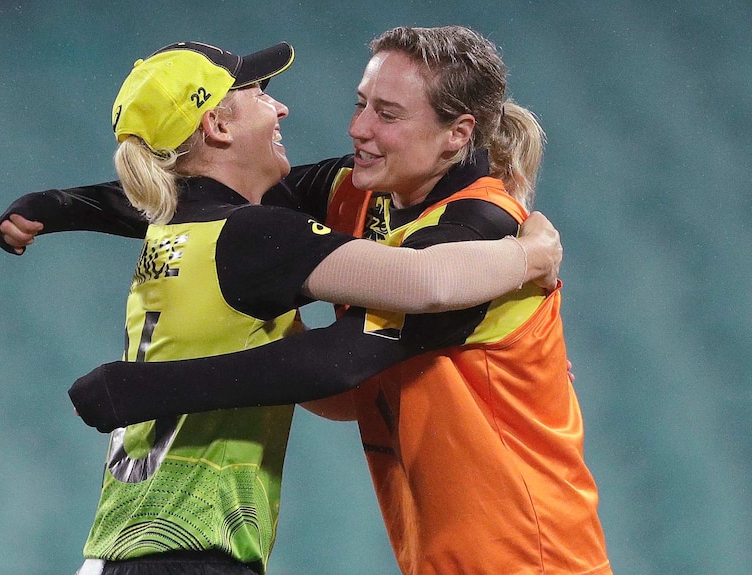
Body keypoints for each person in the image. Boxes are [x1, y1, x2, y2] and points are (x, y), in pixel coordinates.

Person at [32, 26, 612, 574]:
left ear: (458, 134)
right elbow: (209, 190)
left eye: (386, 115)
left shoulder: (483, 235)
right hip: (441, 556)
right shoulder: (358, 194)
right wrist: (57, 207)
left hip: (535, 556)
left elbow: (345, 356)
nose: (359, 128)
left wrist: (145, 389)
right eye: (361, 103)